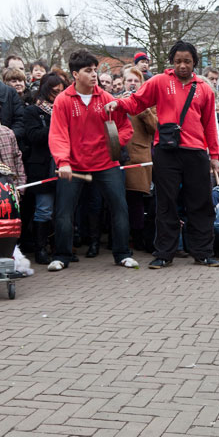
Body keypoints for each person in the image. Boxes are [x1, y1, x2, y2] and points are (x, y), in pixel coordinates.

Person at [107, 40, 219, 269]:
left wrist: (215, 155)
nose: (182, 65)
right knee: (165, 204)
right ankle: (164, 253)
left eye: (187, 61)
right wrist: (118, 105)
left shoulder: (205, 89)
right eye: (178, 61)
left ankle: (203, 252)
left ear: (194, 63)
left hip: (196, 151)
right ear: (171, 62)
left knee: (200, 203)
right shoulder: (159, 81)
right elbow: (137, 101)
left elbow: (210, 123)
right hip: (166, 151)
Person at [47, 49, 138, 271]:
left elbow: (126, 128)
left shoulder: (107, 98)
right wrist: (63, 161)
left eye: (95, 70)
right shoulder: (63, 101)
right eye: (89, 71)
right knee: (64, 212)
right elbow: (58, 134)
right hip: (74, 165)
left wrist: (114, 146)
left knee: (120, 208)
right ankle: (61, 256)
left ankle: (123, 254)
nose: (94, 75)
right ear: (75, 75)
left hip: (107, 164)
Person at [24, 73, 65, 265]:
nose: (57, 95)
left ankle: (60, 247)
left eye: (61, 91)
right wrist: (55, 124)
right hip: (42, 166)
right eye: (54, 91)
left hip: (63, 163)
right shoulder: (33, 111)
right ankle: (40, 248)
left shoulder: (65, 109)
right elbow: (33, 136)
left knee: (63, 210)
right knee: (44, 209)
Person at [118, 66, 157, 252]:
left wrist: (143, 110)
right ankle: (119, 238)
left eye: (136, 81)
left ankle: (138, 238)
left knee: (136, 200)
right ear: (123, 82)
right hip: (117, 158)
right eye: (129, 80)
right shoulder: (115, 101)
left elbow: (156, 129)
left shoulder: (150, 105)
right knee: (118, 200)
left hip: (138, 158)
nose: (132, 84)